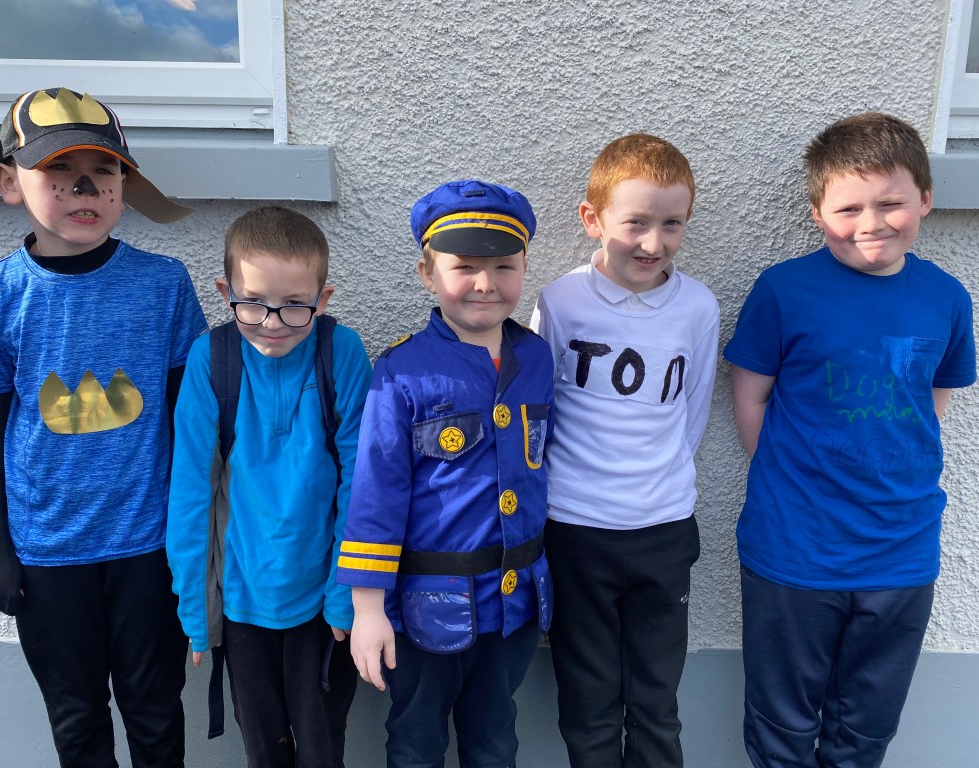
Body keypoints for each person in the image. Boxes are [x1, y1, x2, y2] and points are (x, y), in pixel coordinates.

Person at [0, 87, 206, 767]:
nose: (84, 188)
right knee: (76, 719)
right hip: (46, 554)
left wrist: (198, 540)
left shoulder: (164, 285)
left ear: (124, 184)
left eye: (103, 170)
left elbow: (190, 425)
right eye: (57, 171)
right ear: (9, 182)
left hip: (148, 547)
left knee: (155, 711)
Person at [724, 112, 977, 768]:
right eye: (849, 208)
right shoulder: (784, 291)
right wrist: (798, 484)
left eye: (891, 203)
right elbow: (751, 399)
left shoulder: (947, 298)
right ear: (818, 213)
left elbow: (931, 402)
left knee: (864, 730)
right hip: (794, 550)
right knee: (780, 724)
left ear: (926, 198)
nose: (872, 223)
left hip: (901, 553)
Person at [338, 180, 554, 768]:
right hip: (426, 608)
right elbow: (376, 496)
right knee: (416, 740)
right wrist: (367, 609)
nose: (485, 283)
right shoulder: (401, 371)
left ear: (524, 268)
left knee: (495, 738)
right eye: (464, 267)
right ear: (427, 273)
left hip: (512, 604)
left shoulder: (537, 358)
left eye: (504, 266)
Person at [531, 134, 719, 768]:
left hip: (663, 529)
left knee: (656, 700)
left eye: (672, 224)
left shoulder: (697, 307)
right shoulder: (560, 301)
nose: (653, 243)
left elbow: (692, 410)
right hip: (576, 530)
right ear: (593, 219)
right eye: (635, 222)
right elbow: (541, 407)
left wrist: (657, 484)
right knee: (588, 699)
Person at [166, 206, 371, 768]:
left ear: (322, 300)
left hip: (324, 605)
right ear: (225, 292)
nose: (273, 323)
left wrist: (346, 597)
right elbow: (191, 492)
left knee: (323, 747)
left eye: (294, 305)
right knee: (264, 750)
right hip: (241, 602)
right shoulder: (212, 359)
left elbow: (361, 487)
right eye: (253, 302)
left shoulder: (341, 353)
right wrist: (197, 611)